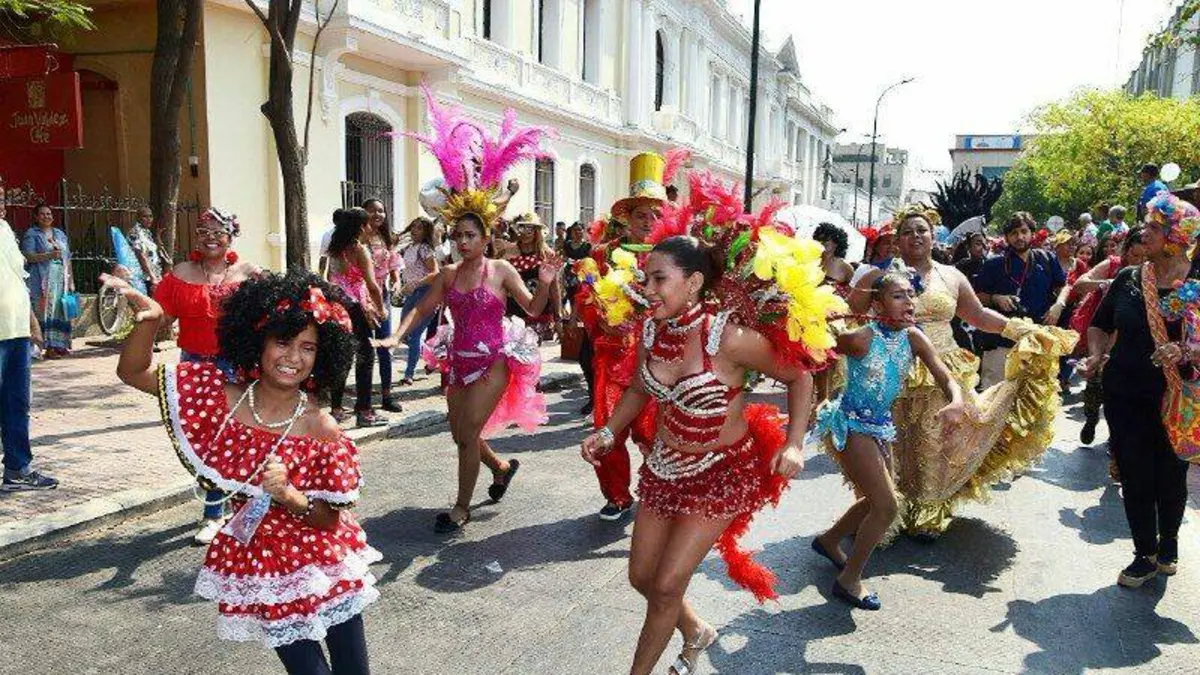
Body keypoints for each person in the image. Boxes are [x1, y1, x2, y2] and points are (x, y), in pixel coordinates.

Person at [108, 268, 379, 673]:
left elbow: (328, 520)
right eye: (283, 341)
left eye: (308, 347)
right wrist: (150, 321)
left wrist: (289, 496)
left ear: (322, 356)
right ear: (258, 340)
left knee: (353, 670)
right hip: (265, 566)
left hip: (325, 562)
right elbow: (133, 372)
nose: (293, 357)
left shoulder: (319, 427)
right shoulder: (222, 400)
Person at [581, 231, 827, 674]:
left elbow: (800, 376)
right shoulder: (652, 330)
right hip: (663, 469)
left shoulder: (727, 337)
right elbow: (638, 389)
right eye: (645, 279)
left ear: (693, 282)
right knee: (642, 576)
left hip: (719, 474)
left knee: (666, 586)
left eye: (659, 279)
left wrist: (794, 443)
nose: (647, 290)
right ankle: (695, 630)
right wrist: (608, 432)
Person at [377, 86, 559, 532]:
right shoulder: (448, 273)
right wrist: (397, 336)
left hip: (493, 360)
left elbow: (533, 308)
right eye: (457, 235)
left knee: (468, 434)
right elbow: (421, 310)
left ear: (485, 237)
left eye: (470, 235)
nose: (462, 242)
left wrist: (546, 283)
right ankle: (500, 468)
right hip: (457, 360)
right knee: (459, 433)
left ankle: (461, 506)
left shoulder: (501, 270)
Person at [849, 205, 1075, 539]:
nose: (916, 237)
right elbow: (850, 317)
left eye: (922, 230)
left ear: (933, 237)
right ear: (896, 240)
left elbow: (979, 315)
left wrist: (1021, 330)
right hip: (889, 369)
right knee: (888, 442)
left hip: (941, 367)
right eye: (908, 232)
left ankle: (927, 511)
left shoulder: (951, 276)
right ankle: (881, 513)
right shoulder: (876, 277)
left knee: (934, 442)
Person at [811, 268, 964, 610]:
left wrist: (956, 400)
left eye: (911, 294)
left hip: (881, 426)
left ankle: (830, 541)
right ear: (878, 306)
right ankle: (849, 580)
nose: (908, 301)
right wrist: (820, 395)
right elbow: (818, 350)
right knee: (887, 506)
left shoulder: (914, 337)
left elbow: (944, 375)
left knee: (875, 500)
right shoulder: (861, 338)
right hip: (852, 424)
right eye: (898, 296)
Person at [1081, 192, 1197, 588]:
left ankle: (1169, 544)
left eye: (1153, 227)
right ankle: (1144, 553)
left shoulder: (1197, 282)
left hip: (1176, 396)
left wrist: (1184, 349)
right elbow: (1100, 324)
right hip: (1124, 393)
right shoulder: (1129, 278)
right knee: (1133, 472)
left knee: (1171, 474)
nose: (1143, 232)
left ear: (1176, 236)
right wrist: (1095, 354)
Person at [153, 207, 260, 544]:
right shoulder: (181, 273)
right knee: (204, 439)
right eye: (203, 232)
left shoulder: (248, 273)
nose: (210, 238)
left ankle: (217, 512)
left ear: (230, 236)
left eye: (218, 231)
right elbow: (160, 315)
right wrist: (135, 300)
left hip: (236, 365)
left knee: (230, 438)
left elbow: (271, 314)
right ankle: (223, 505)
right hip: (194, 365)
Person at [577, 153, 665, 522]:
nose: (648, 222)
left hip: (659, 359)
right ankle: (617, 496)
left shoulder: (671, 256)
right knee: (608, 429)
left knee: (654, 431)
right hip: (612, 357)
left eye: (655, 214)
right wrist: (601, 320)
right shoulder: (604, 254)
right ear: (627, 218)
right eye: (641, 214)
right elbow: (585, 297)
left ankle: (658, 491)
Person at [1066, 227, 1146, 447]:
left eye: (1145, 257)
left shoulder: (1154, 274)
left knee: (1119, 392)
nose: (1139, 262)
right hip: (1102, 330)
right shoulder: (1113, 266)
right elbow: (1079, 284)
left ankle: (1115, 437)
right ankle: (1091, 418)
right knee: (1096, 383)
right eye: (1135, 256)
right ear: (1126, 250)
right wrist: (1105, 284)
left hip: (1128, 340)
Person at [0, 188, 58, 491]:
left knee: (17, 403)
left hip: (16, 333)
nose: (2, 205)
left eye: (2, 199)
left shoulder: (5, 229)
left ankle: (17, 469)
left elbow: (17, 279)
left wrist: (32, 322)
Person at [973, 211, 1066, 388]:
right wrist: (996, 298)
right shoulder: (994, 264)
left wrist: (1058, 305)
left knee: (1036, 396)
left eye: (1024, 231)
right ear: (1007, 237)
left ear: (1032, 233)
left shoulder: (1046, 259)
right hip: (1001, 341)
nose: (1020, 237)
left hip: (1038, 339)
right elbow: (976, 298)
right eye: (1014, 233)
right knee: (996, 397)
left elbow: (1064, 286)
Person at [326, 207, 389, 428]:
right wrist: (381, 309)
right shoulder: (359, 250)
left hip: (336, 307)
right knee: (365, 358)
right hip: (356, 308)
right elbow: (372, 285)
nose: (371, 227)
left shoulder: (336, 248)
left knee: (342, 357)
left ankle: (336, 409)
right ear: (361, 227)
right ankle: (364, 411)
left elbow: (330, 278)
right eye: (368, 224)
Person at [362, 199, 403, 413]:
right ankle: (365, 400)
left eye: (381, 211)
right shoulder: (358, 238)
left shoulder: (387, 238)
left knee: (385, 346)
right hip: (362, 297)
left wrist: (396, 281)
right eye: (373, 211)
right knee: (365, 349)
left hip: (382, 296)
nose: (378, 214)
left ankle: (387, 395)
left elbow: (393, 265)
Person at [20, 202, 73, 358]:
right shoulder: (32, 234)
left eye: (49, 214)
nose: (46, 216)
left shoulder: (59, 234)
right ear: (36, 217)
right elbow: (28, 256)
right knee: (43, 312)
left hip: (60, 279)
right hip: (41, 279)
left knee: (59, 311)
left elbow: (67, 258)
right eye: (42, 214)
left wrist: (71, 281)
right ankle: (44, 347)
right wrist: (49, 255)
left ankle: (58, 345)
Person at [396, 216, 440, 387]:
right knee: (405, 334)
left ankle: (409, 374)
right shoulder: (409, 247)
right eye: (413, 226)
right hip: (411, 294)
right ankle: (431, 355)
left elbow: (435, 272)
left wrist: (415, 283)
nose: (415, 230)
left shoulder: (424, 249)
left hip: (426, 294)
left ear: (426, 232)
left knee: (414, 335)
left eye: (419, 228)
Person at [505, 212, 561, 343]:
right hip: (513, 313)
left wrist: (558, 318)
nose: (525, 232)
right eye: (521, 227)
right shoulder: (508, 253)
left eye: (529, 228)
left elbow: (554, 288)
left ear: (537, 231)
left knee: (534, 352)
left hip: (540, 315)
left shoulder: (547, 255)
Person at [128, 206, 167, 292]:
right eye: (145, 216)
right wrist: (152, 276)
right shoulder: (135, 233)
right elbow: (140, 256)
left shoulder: (146, 232)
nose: (149, 219)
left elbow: (151, 252)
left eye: (150, 216)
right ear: (138, 218)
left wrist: (158, 237)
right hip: (143, 277)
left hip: (152, 275)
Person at [813, 222, 854, 297]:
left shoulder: (845, 267)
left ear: (836, 243)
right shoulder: (810, 261)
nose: (822, 242)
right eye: (819, 239)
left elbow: (852, 294)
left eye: (826, 239)